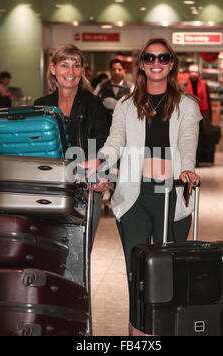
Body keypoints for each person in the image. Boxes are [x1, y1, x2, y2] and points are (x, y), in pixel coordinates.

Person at [81, 38, 201, 318]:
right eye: (149, 58)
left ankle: (169, 326)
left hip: (171, 194)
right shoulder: (125, 105)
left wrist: (187, 168)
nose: (156, 63)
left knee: (170, 270)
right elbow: (116, 141)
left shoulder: (187, 105)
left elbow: (187, 140)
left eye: (162, 58)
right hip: (134, 196)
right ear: (142, 64)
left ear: (172, 64)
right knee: (137, 273)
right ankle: (139, 330)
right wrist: (100, 158)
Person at [34, 43, 109, 246]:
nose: (70, 72)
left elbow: (104, 143)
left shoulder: (93, 104)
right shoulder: (40, 106)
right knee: (49, 248)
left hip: (85, 187)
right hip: (49, 188)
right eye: (64, 65)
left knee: (81, 250)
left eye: (76, 66)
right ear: (53, 69)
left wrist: (101, 174)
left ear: (82, 71)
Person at [187, 64, 214, 165]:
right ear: (189, 73)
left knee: (200, 138)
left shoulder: (204, 85)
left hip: (202, 115)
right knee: (189, 139)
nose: (194, 74)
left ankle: (197, 160)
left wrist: (210, 118)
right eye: (192, 72)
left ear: (198, 73)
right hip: (189, 116)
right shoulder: (185, 85)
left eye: (196, 72)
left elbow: (209, 102)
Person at [93, 59, 134, 126]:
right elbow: (93, 103)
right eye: (114, 69)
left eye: (119, 69)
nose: (116, 72)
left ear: (124, 71)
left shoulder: (131, 87)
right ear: (110, 71)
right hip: (104, 124)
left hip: (124, 124)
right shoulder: (101, 86)